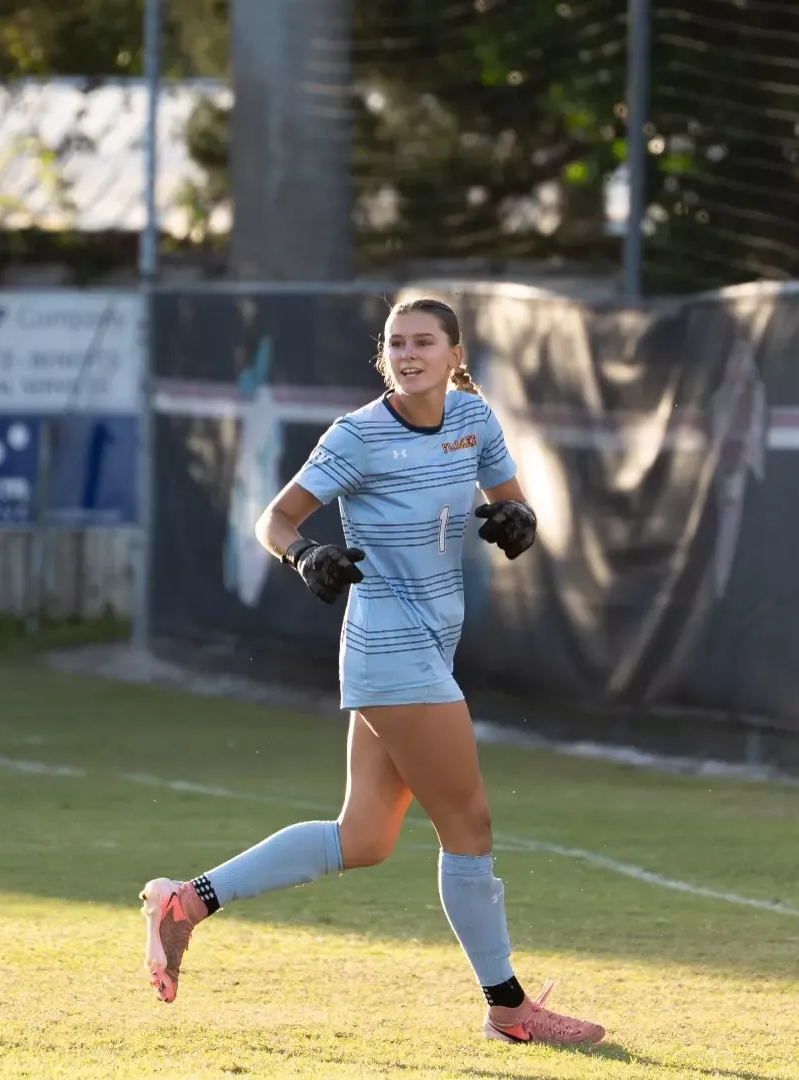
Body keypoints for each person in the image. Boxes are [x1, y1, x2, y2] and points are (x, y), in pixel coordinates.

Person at [139, 297, 605, 1046]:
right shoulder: (357, 434)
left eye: (424, 341)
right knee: (470, 826)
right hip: (391, 647)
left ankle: (185, 903)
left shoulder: (472, 421)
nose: (408, 353)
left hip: (429, 644)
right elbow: (276, 520)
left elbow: (511, 504)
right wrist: (306, 554)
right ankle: (509, 1008)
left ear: (456, 353)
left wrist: (522, 520)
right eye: (396, 343)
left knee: (364, 839)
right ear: (383, 356)